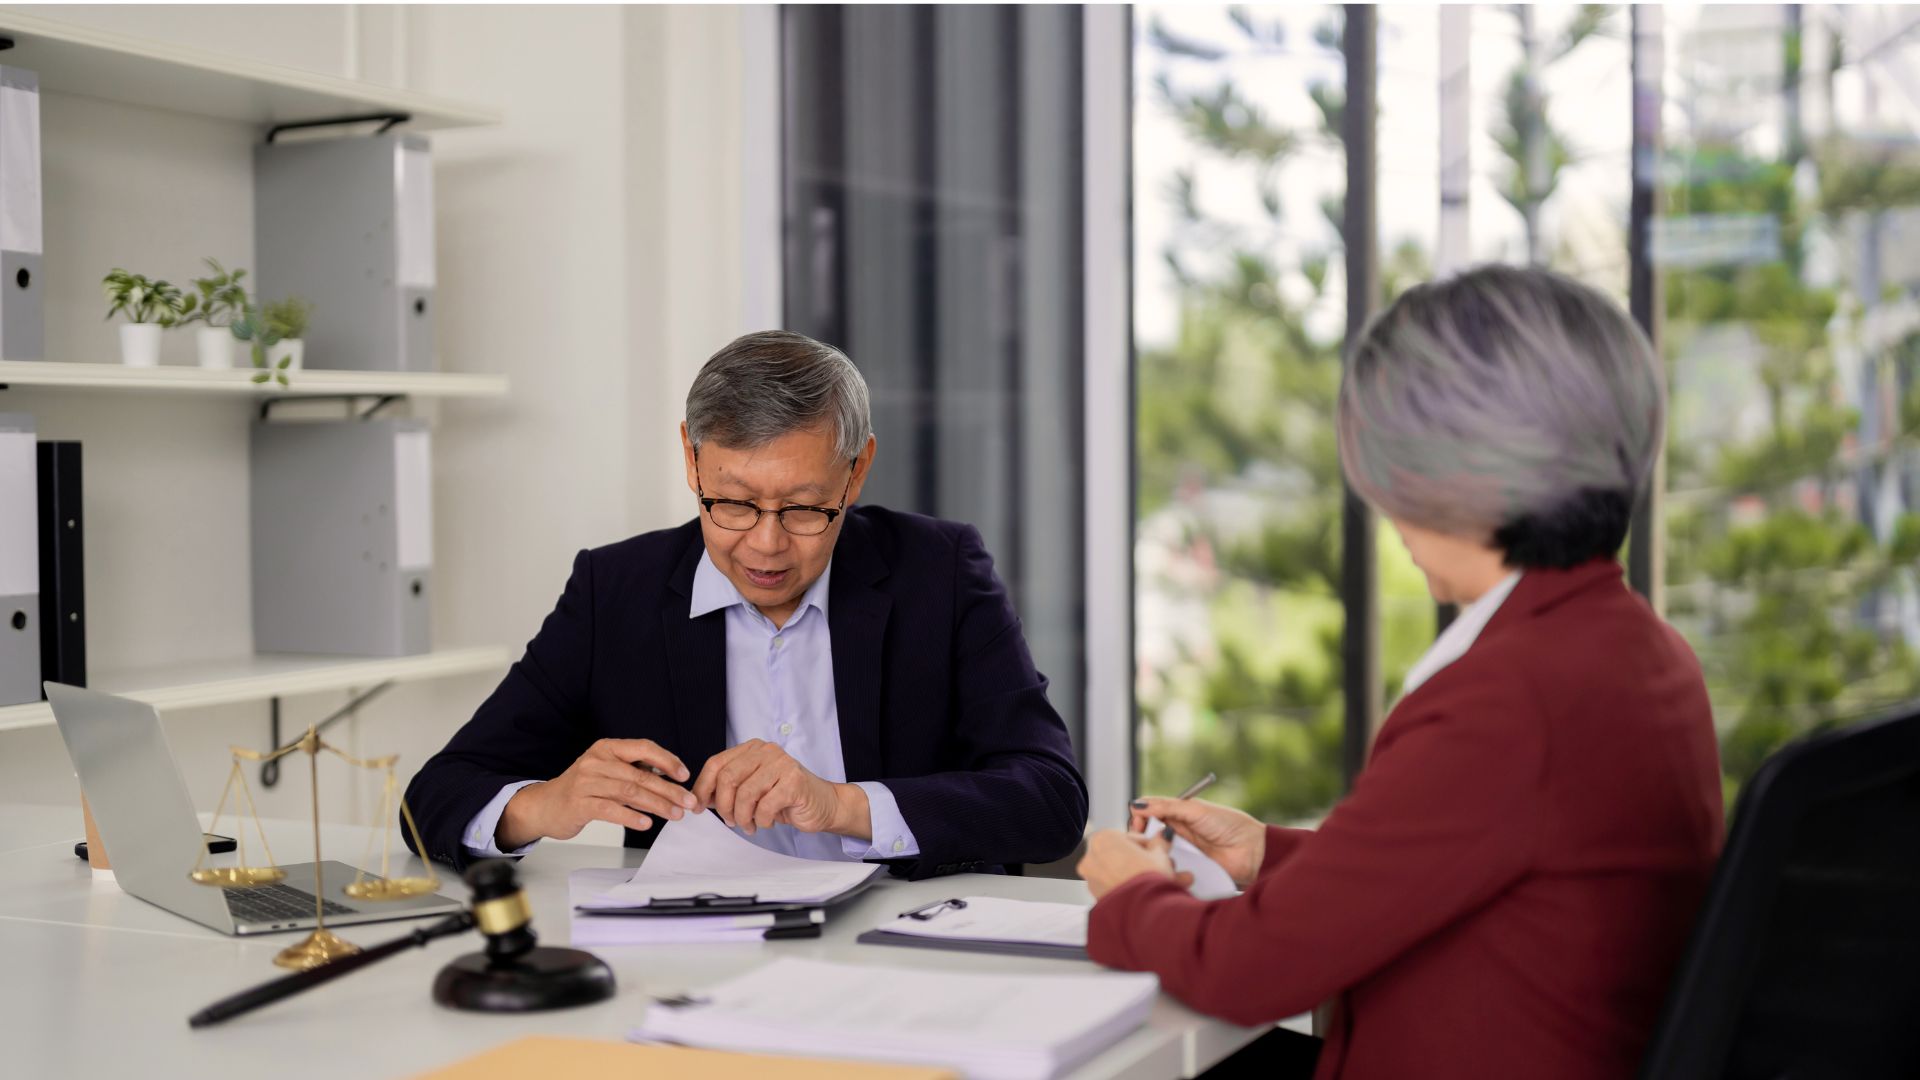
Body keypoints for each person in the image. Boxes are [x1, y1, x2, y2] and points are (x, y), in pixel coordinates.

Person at [1077, 266, 1724, 1079]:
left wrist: (1133, 895)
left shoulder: (1508, 698)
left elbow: (1249, 970)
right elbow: (1485, 871)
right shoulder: (1638, 651)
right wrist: (1269, 857)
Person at [405, 330, 1088, 879]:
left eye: (802, 508)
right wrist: (541, 805)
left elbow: (1050, 799)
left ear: (857, 471)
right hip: (695, 967)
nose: (765, 545)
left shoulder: (938, 572)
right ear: (690, 458)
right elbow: (432, 796)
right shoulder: (615, 591)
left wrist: (844, 806)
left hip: (905, 955)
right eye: (731, 503)